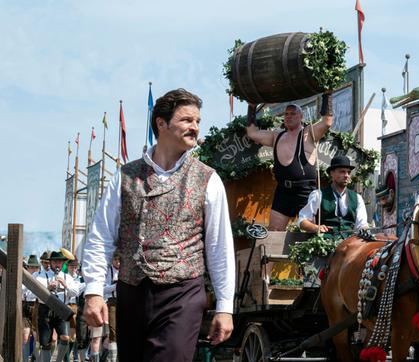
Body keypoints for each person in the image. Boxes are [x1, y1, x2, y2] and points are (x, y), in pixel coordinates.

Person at [82, 88, 235, 362]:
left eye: (198, 121)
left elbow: (219, 247)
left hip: (182, 295)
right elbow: (100, 236)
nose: (195, 127)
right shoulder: (125, 176)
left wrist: (225, 307)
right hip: (131, 293)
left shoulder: (208, 180)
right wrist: (94, 291)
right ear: (161, 124)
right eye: (187, 120)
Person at [246, 93, 334, 231]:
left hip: (305, 192)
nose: (288, 116)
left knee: (312, 232)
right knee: (274, 231)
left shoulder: (308, 134)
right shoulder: (276, 136)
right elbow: (252, 133)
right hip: (283, 192)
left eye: (293, 113)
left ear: (301, 116)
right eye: (286, 114)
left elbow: (327, 122)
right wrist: (251, 107)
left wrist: (327, 94)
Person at [297, 155, 368, 236]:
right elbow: (302, 220)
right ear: (332, 173)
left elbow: (362, 225)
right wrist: (316, 227)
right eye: (342, 171)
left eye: (348, 172)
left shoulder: (357, 198)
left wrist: (364, 230)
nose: (346, 175)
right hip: (325, 243)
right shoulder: (318, 195)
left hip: (349, 244)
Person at [35, 250, 80, 362]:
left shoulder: (66, 276)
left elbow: (76, 292)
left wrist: (65, 285)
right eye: (55, 262)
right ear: (51, 263)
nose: (57, 264)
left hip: (61, 310)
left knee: (65, 337)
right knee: (46, 343)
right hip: (45, 310)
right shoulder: (41, 276)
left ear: (63, 263)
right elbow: (35, 296)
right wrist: (48, 288)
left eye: (59, 262)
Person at [22, 255, 40, 362]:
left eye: (35, 267)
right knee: (25, 337)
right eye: (32, 267)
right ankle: (24, 360)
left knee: (36, 337)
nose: (34, 269)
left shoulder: (40, 277)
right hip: (25, 306)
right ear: (28, 267)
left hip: (37, 307)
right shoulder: (23, 278)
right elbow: (21, 291)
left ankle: (35, 358)